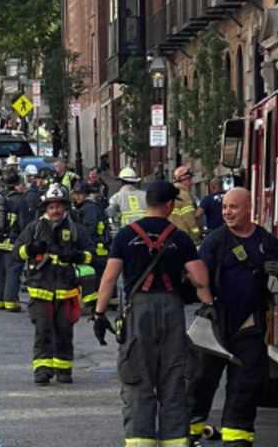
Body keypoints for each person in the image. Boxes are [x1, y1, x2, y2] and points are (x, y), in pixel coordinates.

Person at [93, 180, 213, 447]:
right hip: (171, 309)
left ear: (148, 202)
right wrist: (208, 305)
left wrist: (100, 314)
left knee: (137, 376)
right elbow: (200, 279)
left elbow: (110, 278)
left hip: (139, 310)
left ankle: (140, 441)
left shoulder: (126, 235)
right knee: (173, 377)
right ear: (170, 205)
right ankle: (175, 440)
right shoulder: (179, 238)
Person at [187, 188, 278, 447]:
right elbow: (198, 278)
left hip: (249, 323)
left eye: (233, 207)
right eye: (224, 208)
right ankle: (189, 429)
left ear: (248, 208)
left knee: (246, 382)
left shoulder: (265, 240)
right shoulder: (214, 241)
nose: (227, 212)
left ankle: (237, 436)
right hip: (215, 320)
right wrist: (208, 305)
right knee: (201, 378)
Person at [14, 183, 94, 384]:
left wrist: (77, 256)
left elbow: (93, 255)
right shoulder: (34, 229)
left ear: (65, 207)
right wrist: (30, 249)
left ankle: (63, 370)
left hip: (66, 290)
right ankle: (42, 370)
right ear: (46, 209)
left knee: (64, 332)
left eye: (59, 206)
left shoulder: (77, 230)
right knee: (43, 331)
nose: (55, 210)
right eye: (51, 207)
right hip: (41, 290)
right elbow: (16, 253)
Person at [0, 171, 26, 311]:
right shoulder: (21, 200)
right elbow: (24, 224)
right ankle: (11, 302)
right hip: (12, 244)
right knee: (13, 273)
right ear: (17, 183)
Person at [71, 182, 109, 309]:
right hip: (98, 246)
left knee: (93, 274)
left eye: (80, 194)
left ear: (86, 194)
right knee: (100, 275)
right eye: (76, 194)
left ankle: (96, 301)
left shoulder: (88, 208)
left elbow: (89, 229)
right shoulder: (86, 207)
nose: (77, 197)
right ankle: (106, 299)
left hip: (97, 247)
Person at [106, 167, 147, 236]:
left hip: (126, 235)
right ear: (135, 182)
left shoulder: (116, 198)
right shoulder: (145, 196)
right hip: (146, 235)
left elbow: (111, 219)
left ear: (121, 181)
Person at [171, 165, 202, 244]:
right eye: (189, 180)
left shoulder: (170, 193)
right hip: (184, 238)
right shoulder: (184, 195)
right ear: (183, 180)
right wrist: (197, 235)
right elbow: (189, 218)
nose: (191, 183)